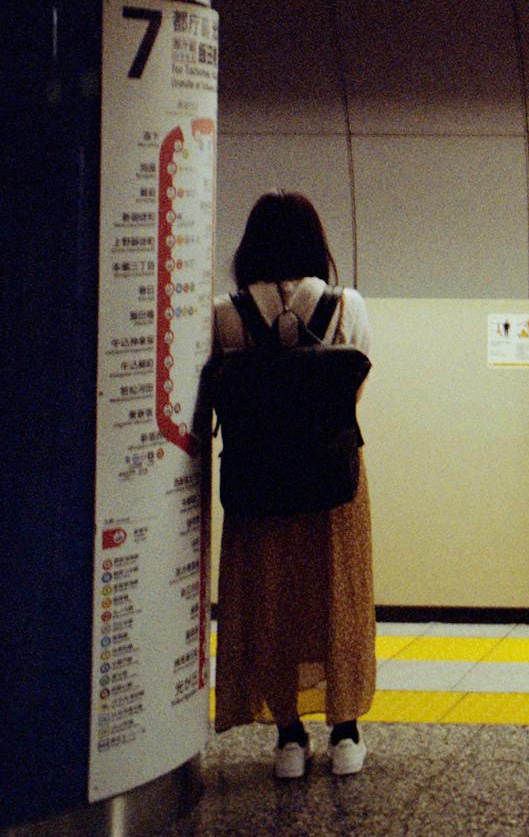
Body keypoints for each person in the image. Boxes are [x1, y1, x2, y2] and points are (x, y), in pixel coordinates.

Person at [210, 192, 376, 777]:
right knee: (336, 597)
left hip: (258, 489)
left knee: (270, 600)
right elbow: (352, 396)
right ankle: (347, 735)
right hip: (333, 485)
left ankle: (288, 740)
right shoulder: (344, 304)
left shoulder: (226, 313)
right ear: (315, 242)